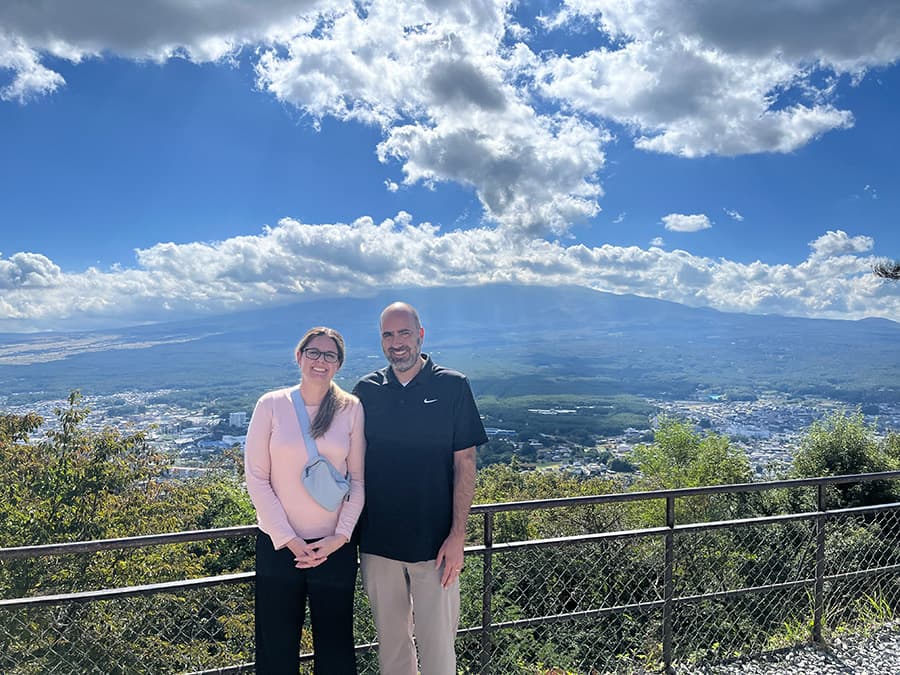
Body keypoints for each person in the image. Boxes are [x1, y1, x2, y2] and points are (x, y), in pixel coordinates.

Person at [353, 302, 488, 675]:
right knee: (392, 647)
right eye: (388, 334)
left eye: (404, 333)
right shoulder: (366, 391)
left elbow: (466, 463)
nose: (397, 343)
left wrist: (458, 535)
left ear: (420, 335)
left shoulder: (453, 386)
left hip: (436, 545)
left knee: (439, 648)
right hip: (378, 544)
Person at [245, 326, 365, 674]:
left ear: (339, 364)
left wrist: (340, 537)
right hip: (279, 547)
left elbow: (358, 480)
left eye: (330, 355)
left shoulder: (351, 409)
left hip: (335, 549)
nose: (320, 361)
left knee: (336, 645)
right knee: (277, 647)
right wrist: (288, 539)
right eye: (314, 352)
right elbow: (256, 477)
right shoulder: (270, 405)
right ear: (299, 357)